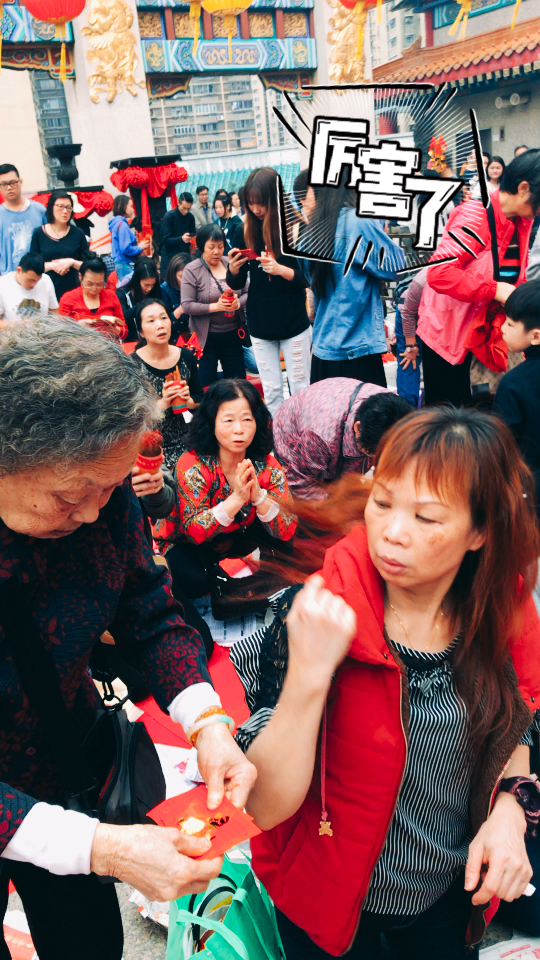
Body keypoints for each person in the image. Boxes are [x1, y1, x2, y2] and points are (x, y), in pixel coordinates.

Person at [234, 407, 540, 960]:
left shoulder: (501, 611)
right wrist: (308, 674)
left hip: (447, 898)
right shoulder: (316, 612)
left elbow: (518, 722)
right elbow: (260, 808)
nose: (393, 534)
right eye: (383, 503)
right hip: (326, 910)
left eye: (426, 518)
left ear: (479, 533)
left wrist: (513, 810)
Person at [0, 317, 256, 960]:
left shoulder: (101, 496)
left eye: (107, 489)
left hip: (67, 762)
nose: (91, 513)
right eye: (69, 495)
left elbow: (147, 608)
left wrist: (209, 724)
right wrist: (104, 848)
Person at [417, 149, 540, 407]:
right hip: (450, 337)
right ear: (524, 188)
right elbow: (439, 273)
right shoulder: (475, 214)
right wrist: (495, 289)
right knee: (453, 429)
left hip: (484, 336)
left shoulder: (522, 221)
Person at [155, 378, 297, 599]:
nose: (239, 430)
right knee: (194, 581)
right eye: (228, 420)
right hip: (187, 543)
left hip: (237, 534)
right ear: (211, 423)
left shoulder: (266, 464)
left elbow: (288, 528)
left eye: (247, 419)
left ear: (258, 422)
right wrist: (237, 499)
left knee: (289, 549)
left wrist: (258, 496)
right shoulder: (192, 465)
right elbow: (194, 533)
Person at [302, 178, 405, 387]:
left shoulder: (312, 228)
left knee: (330, 419)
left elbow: (307, 275)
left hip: (324, 350)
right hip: (357, 348)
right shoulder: (359, 222)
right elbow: (397, 267)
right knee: (365, 419)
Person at [226, 167, 312, 416]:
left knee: (300, 388)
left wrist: (280, 270)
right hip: (260, 322)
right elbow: (237, 282)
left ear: (275, 199)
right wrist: (233, 270)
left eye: (261, 203)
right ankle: (277, 444)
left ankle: (303, 443)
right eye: (251, 203)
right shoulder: (243, 230)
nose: (256, 210)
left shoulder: (297, 228)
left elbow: (308, 278)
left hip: (293, 321)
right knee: (272, 390)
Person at [273, 379, 412, 499]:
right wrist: (337, 506)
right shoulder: (320, 436)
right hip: (293, 436)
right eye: (372, 453)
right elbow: (300, 482)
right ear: (358, 428)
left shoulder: (395, 410)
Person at [131, 298, 203, 470]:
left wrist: (187, 401)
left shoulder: (185, 356)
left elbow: (199, 397)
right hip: (149, 445)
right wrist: (163, 403)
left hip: (186, 439)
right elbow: (132, 417)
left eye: (163, 318)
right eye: (151, 321)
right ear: (140, 331)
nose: (160, 325)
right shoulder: (132, 365)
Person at [181, 223, 248, 387]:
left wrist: (238, 303)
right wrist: (215, 307)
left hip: (233, 334)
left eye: (220, 246)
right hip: (207, 338)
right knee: (207, 385)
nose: (217, 252)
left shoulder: (230, 263)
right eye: (211, 247)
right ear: (201, 246)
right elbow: (187, 305)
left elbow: (248, 292)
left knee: (237, 384)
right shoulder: (192, 270)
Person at [494, 280, 540, 514]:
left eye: (510, 324)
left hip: (529, 489)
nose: (502, 328)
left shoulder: (514, 384)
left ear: (535, 337)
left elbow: (503, 441)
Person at [29, 190, 90, 301]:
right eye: (60, 206)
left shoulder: (78, 233)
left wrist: (71, 262)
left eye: (68, 207)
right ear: (51, 207)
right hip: (46, 292)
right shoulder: (39, 233)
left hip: (74, 291)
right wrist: (54, 266)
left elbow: (88, 265)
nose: (65, 211)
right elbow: (32, 265)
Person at [58, 257, 126, 336]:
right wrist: (78, 327)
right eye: (89, 284)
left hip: (108, 345)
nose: (94, 289)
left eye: (99, 284)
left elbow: (124, 331)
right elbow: (61, 332)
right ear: (80, 277)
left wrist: (116, 330)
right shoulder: (68, 298)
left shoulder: (111, 296)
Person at [0, 164, 46, 275]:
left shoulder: (39, 210)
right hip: (9, 278)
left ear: (20, 182)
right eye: (4, 184)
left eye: (12, 182)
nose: (9, 188)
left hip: (38, 275)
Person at [0, 252, 57, 325]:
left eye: (37, 280)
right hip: (13, 334)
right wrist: (19, 325)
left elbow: (55, 313)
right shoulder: (3, 284)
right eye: (31, 280)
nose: (34, 284)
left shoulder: (46, 280)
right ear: (19, 270)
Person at [117, 257, 163, 342]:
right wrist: (143, 305)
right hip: (132, 342)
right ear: (137, 281)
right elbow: (122, 317)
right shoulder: (123, 294)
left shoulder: (158, 291)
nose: (149, 288)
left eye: (152, 285)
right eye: (146, 285)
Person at [109, 194, 150, 284]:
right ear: (122, 206)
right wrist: (140, 247)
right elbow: (125, 248)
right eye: (131, 206)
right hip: (125, 264)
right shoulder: (122, 225)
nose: (133, 209)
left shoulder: (116, 224)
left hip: (120, 264)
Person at [159, 192, 195, 280]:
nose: (186, 211)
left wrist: (191, 238)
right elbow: (165, 240)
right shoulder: (169, 216)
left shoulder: (190, 217)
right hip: (170, 257)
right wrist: (181, 239)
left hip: (184, 255)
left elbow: (193, 232)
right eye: (184, 208)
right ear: (178, 203)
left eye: (188, 209)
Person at [160, 252, 191, 342]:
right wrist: (180, 310)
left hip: (194, 335)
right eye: (181, 277)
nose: (186, 280)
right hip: (174, 337)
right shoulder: (164, 289)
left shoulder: (197, 286)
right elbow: (163, 321)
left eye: (189, 276)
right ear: (173, 275)